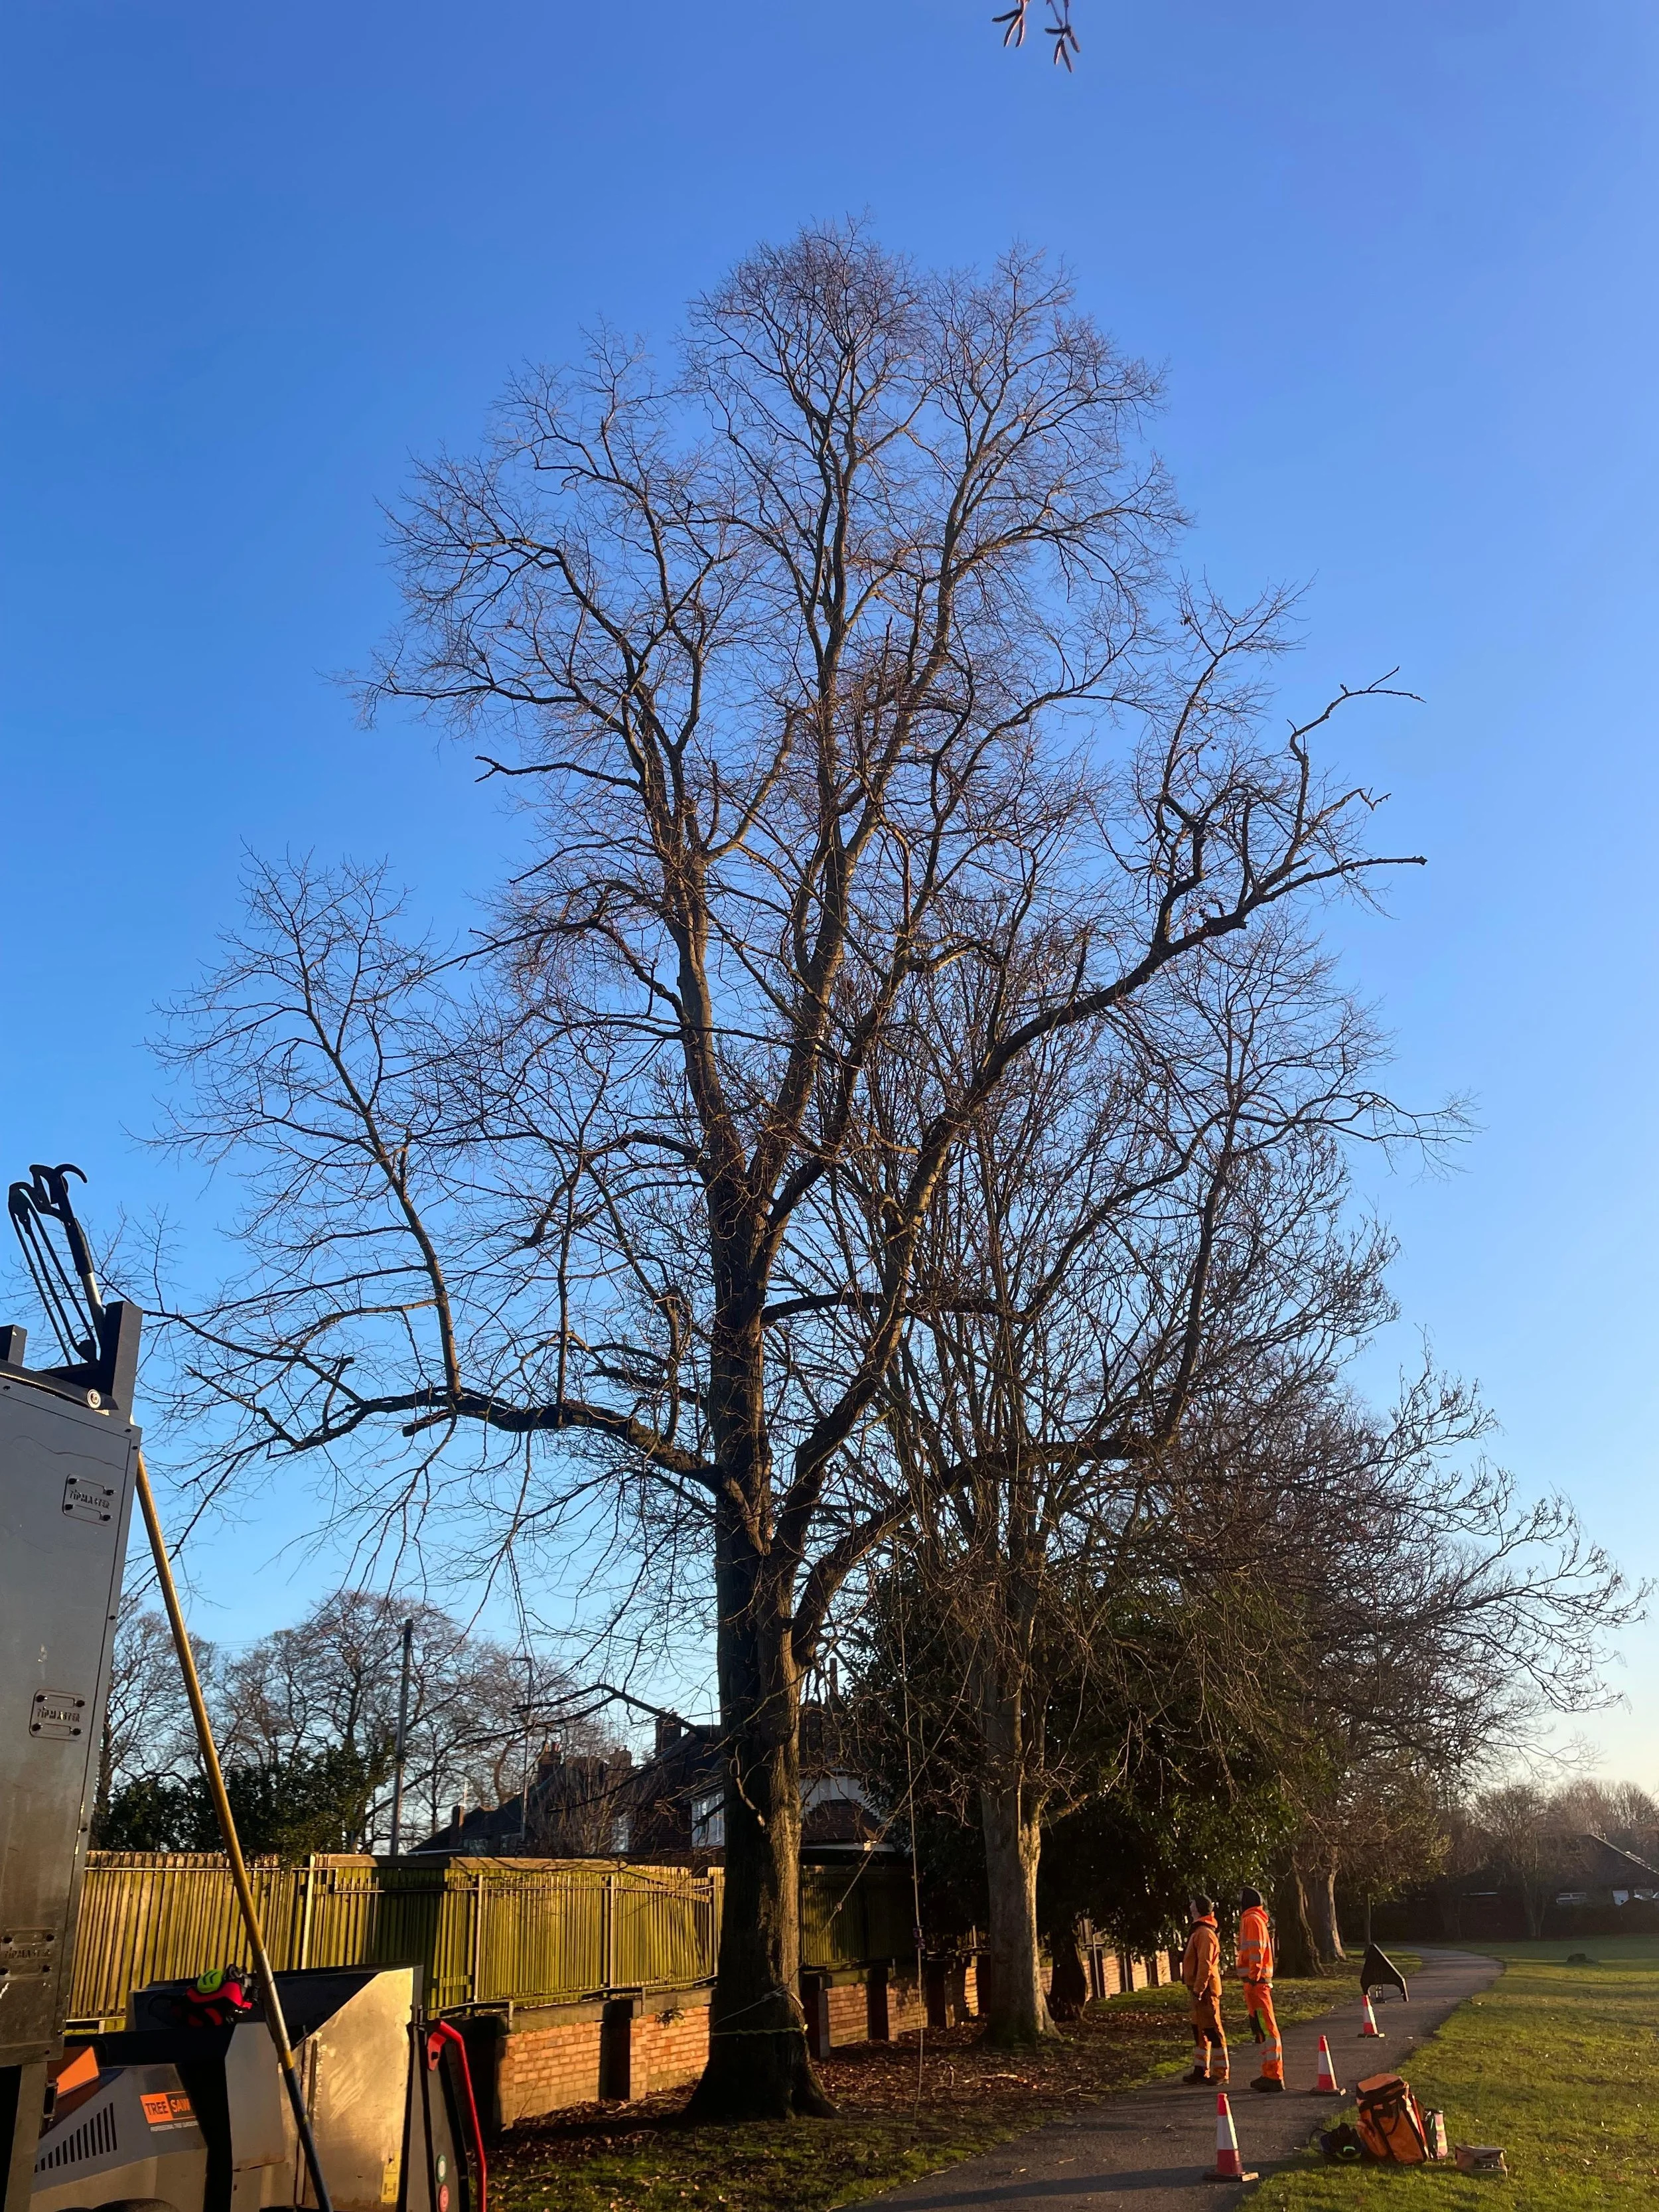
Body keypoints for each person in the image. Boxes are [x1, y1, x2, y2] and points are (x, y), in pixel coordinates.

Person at [1236, 1885, 1283, 2092]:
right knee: (1262, 2028)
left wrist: (1253, 1977)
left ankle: (1273, 2075)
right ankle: (1269, 2073)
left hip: (1257, 1984)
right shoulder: (1255, 1919)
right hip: (1256, 1983)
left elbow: (1255, 1951)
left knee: (1267, 2028)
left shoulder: (1251, 1920)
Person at [1179, 1893, 1228, 2085]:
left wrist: (1199, 1989)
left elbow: (1205, 1965)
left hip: (1205, 1991)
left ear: (1197, 1909)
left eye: (1192, 1907)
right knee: (1200, 2031)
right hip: (1200, 1989)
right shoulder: (1200, 1931)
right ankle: (1201, 2070)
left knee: (1213, 2031)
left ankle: (1221, 2073)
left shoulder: (1204, 1933)